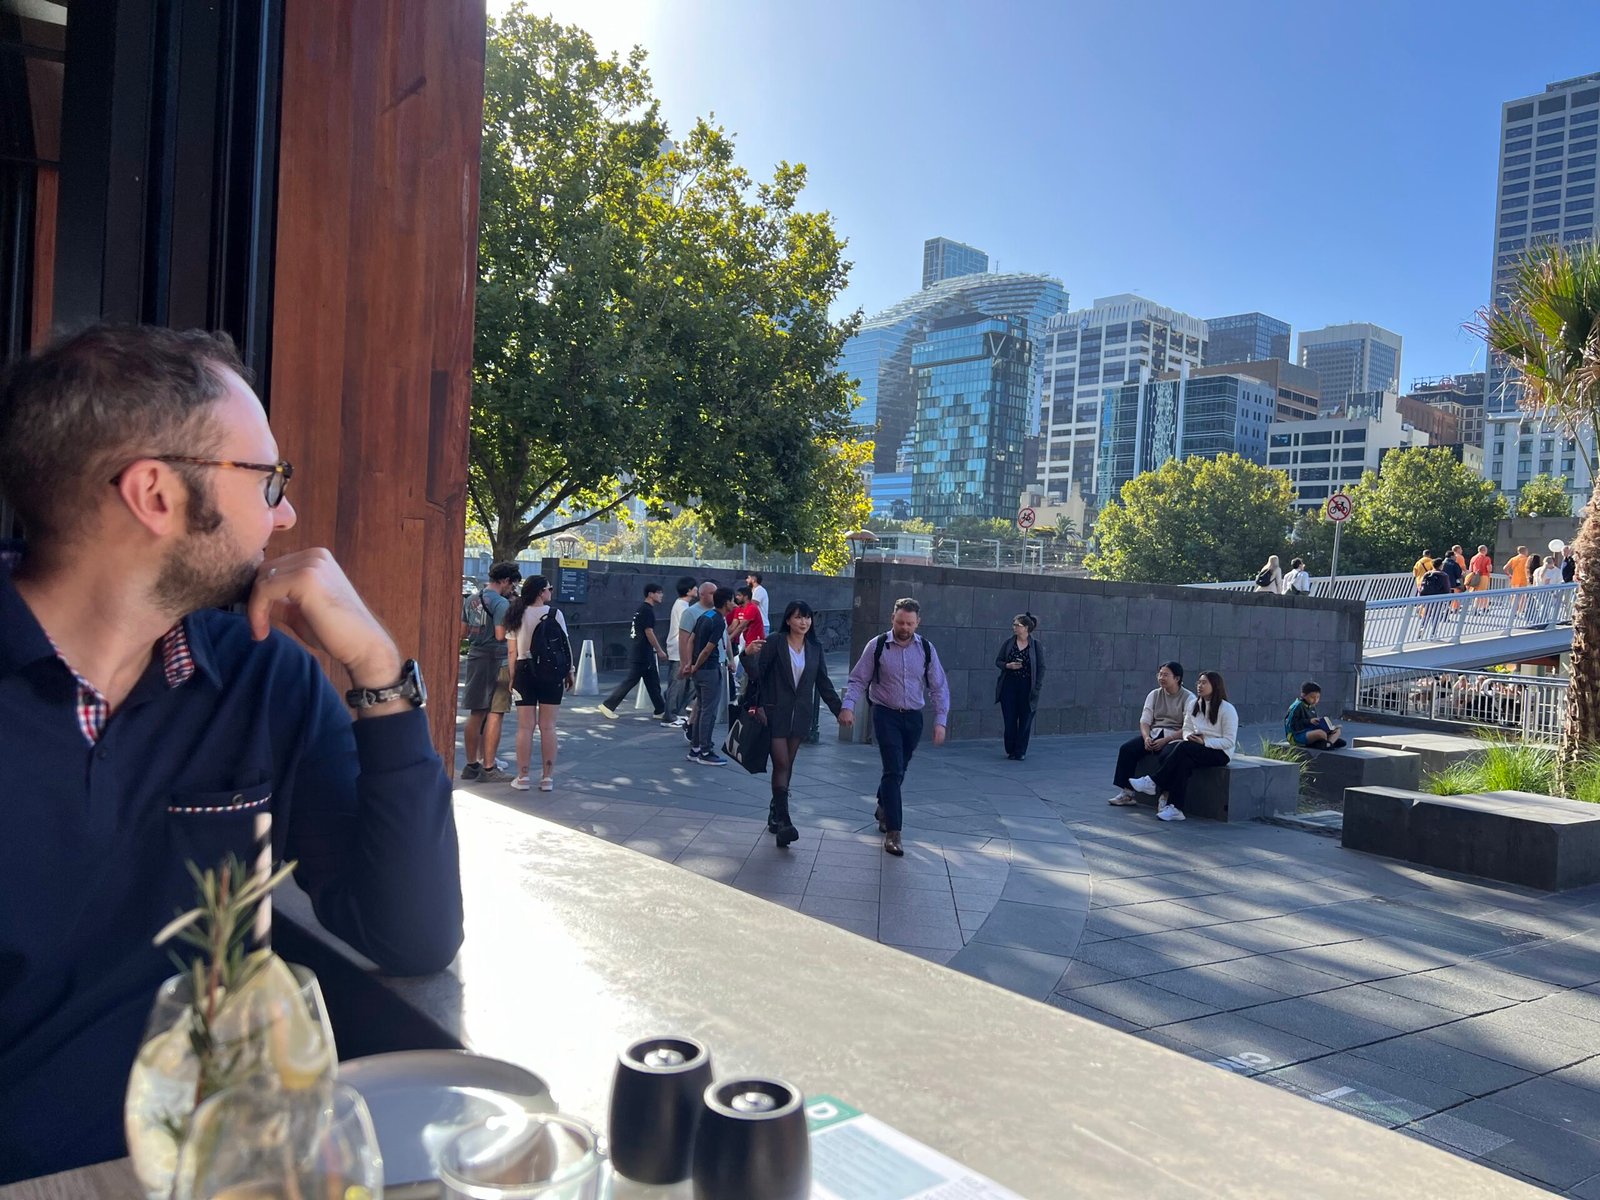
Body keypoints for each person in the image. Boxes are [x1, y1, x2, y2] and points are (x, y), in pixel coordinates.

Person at [0, 325, 463, 1181]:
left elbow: (413, 935)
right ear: (156, 494)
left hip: (228, 1170)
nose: (285, 512)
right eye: (267, 479)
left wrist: (377, 670)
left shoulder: (258, 680)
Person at [838, 597, 951, 856]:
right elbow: (857, 679)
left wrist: (940, 721)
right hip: (885, 714)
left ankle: (883, 805)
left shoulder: (926, 649)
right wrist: (848, 705)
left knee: (899, 769)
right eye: (900, 622)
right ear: (893, 619)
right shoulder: (877, 646)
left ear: (918, 622)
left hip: (913, 717)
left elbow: (939, 686)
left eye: (910, 623)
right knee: (892, 769)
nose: (905, 627)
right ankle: (894, 832)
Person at [750, 600, 843, 848]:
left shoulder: (815, 647)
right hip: (773, 712)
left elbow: (823, 682)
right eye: (798, 617)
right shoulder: (774, 642)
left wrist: (839, 710)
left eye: (808, 618)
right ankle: (784, 821)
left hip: (799, 715)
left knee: (787, 764)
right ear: (788, 620)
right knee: (780, 762)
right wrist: (755, 704)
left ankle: (775, 810)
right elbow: (758, 674)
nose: (804, 622)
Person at [1129, 671, 1238, 822]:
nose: (1200, 686)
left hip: (1219, 753)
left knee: (1182, 748)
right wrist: (1189, 738)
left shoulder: (1227, 709)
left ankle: (1154, 781)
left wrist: (1204, 742)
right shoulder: (1194, 705)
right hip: (1195, 747)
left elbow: (1229, 741)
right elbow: (1186, 729)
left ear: (1215, 685)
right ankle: (1175, 808)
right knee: (1184, 762)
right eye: (1199, 682)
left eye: (1204, 682)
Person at [507, 575, 574, 791]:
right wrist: (569, 671)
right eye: (549, 588)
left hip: (524, 670)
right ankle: (547, 778)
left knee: (525, 727)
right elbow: (565, 645)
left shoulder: (516, 613)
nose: (551, 591)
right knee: (548, 726)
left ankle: (523, 776)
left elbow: (511, 651)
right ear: (540, 592)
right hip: (551, 672)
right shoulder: (555, 614)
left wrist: (511, 677)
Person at [460, 561, 520, 782]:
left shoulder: (471, 599)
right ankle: (488, 768)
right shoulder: (501, 603)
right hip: (497, 659)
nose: (511, 589)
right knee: (496, 713)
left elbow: (463, 632)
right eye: (512, 584)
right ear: (504, 581)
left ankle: (470, 765)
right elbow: (499, 635)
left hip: (475, 656)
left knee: (476, 713)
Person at [1108, 662, 1194, 806]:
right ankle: (1128, 793)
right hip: (1154, 734)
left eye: (1166, 675)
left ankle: (1165, 796)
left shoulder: (1189, 698)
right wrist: (1146, 737)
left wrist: (1167, 740)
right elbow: (1145, 721)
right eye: (1160, 674)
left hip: (1174, 737)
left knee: (1167, 756)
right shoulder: (1154, 694)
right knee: (1127, 749)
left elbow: (1188, 727)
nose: (1161, 678)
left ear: (1177, 678)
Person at [598, 582, 669, 720]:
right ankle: (608, 705)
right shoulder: (647, 610)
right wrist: (659, 650)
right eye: (659, 592)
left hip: (641, 650)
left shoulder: (641, 609)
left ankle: (660, 709)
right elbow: (649, 632)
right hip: (643, 652)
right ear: (651, 594)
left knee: (652, 681)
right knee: (631, 680)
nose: (661, 595)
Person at [686, 586, 736, 765]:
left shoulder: (704, 616)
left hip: (700, 671)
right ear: (726, 602)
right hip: (708, 670)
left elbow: (691, 640)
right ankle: (705, 751)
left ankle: (696, 748)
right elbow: (708, 649)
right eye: (732, 600)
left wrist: (691, 665)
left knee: (700, 709)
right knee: (708, 711)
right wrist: (697, 665)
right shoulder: (718, 621)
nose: (734, 604)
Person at [994, 612, 1044, 760]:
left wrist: (1037, 687)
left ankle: (1020, 751)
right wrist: (1007, 665)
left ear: (1026, 628)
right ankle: (1010, 749)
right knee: (1009, 720)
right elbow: (998, 661)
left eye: (1018, 625)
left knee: (1025, 719)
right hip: (1009, 686)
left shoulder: (1035, 646)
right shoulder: (1009, 643)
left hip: (1027, 687)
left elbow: (1041, 667)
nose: (1014, 627)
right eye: (1014, 624)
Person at [659, 576, 697, 727]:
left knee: (685, 683)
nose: (697, 589)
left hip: (680, 649)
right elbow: (685, 631)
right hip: (679, 649)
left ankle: (677, 710)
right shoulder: (682, 606)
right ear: (688, 590)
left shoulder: (683, 605)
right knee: (677, 683)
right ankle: (669, 715)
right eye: (694, 587)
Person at [1284, 681, 1345, 748]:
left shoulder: (1312, 706)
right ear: (1303, 695)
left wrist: (1328, 727)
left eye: (1318, 697)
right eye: (1312, 697)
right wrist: (1309, 721)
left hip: (1310, 731)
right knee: (1321, 734)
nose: (1315, 700)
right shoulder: (1297, 706)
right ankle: (1329, 742)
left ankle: (1328, 744)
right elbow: (1293, 725)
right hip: (1297, 735)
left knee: (1337, 731)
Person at [1468, 543, 1494, 609]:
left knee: (1477, 592)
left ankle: (1484, 607)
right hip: (1484, 576)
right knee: (1482, 593)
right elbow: (1489, 569)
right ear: (1485, 550)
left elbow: (1470, 569)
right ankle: (1477, 608)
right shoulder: (1487, 558)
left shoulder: (1473, 558)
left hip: (1475, 577)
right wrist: (1490, 567)